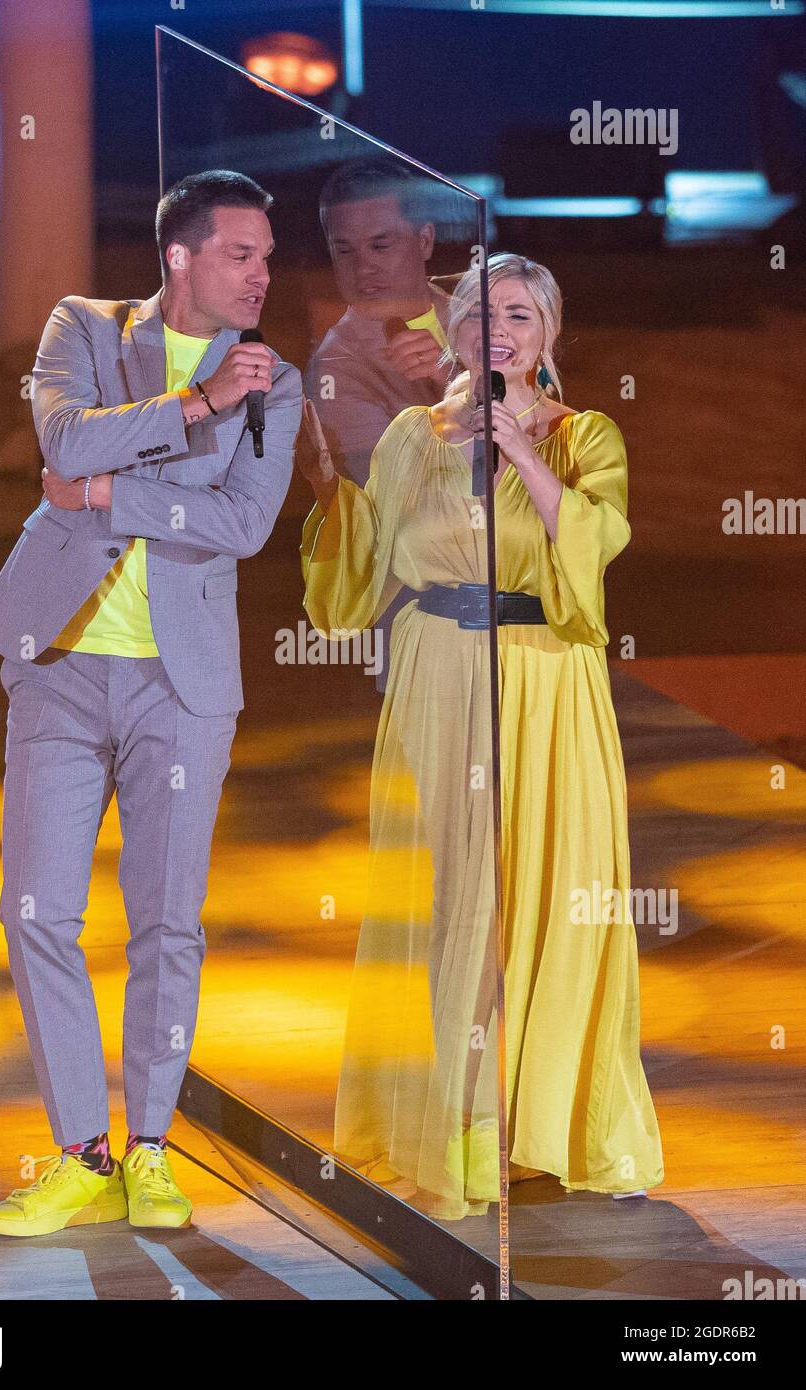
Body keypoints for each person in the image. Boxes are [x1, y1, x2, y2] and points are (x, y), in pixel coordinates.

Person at [0, 169, 303, 1236]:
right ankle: (80, 1154)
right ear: (181, 256)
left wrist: (116, 488)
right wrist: (195, 409)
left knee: (166, 921)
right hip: (60, 667)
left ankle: (153, 1152)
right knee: (37, 912)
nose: (262, 272)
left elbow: (244, 524)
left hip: (184, 681)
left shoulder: (277, 381)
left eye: (266, 254)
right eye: (242, 252)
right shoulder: (85, 326)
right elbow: (61, 442)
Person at [297, 253, 664, 1220]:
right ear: (453, 332)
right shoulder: (411, 439)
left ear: (545, 332)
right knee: (456, 895)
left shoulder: (586, 435)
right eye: (477, 315)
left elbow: (597, 543)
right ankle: (457, 1119)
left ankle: (569, 1121)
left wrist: (527, 456)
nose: (495, 330)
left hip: (546, 678)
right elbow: (361, 574)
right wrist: (327, 490)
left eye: (517, 314)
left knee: (553, 893)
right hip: (436, 668)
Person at [303, 157, 454, 692]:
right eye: (345, 251)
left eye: (381, 245)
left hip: (531, 614)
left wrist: (458, 376)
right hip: (430, 619)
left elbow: (558, 438)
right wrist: (461, 393)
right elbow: (394, 505)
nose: (363, 267)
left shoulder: (484, 313)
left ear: (426, 240)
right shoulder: (335, 369)